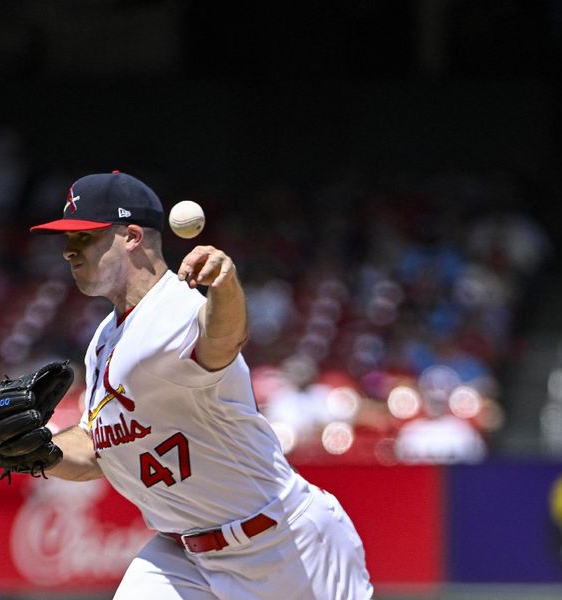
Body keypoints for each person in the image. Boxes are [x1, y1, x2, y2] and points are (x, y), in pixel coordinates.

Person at [29, 171, 373, 600]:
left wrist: (225, 285)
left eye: (85, 237)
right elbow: (100, 448)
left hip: (283, 547)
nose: (68, 251)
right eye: (68, 239)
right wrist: (40, 450)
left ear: (132, 236)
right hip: (183, 555)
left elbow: (222, 340)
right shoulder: (103, 339)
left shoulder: (172, 310)